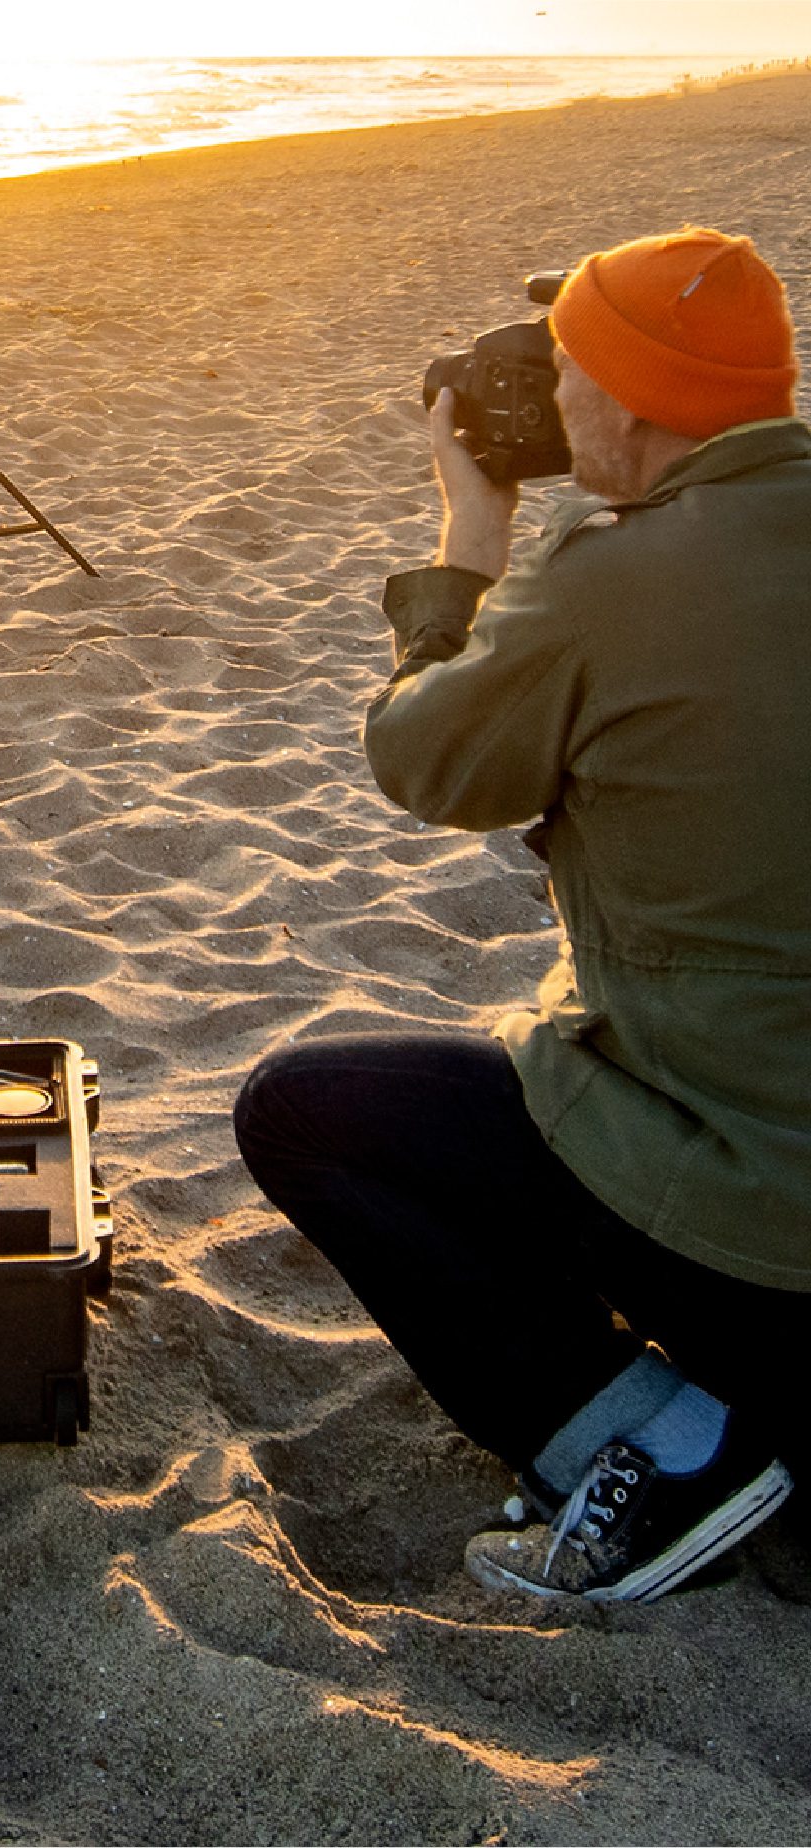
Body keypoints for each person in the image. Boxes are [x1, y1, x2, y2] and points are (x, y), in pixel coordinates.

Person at [233, 227, 811, 1603]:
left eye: (565, 379)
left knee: (305, 1113)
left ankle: (664, 1453)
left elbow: (425, 761)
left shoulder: (608, 581)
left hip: (752, 1217)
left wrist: (469, 545)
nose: (550, 411)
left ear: (625, 403)